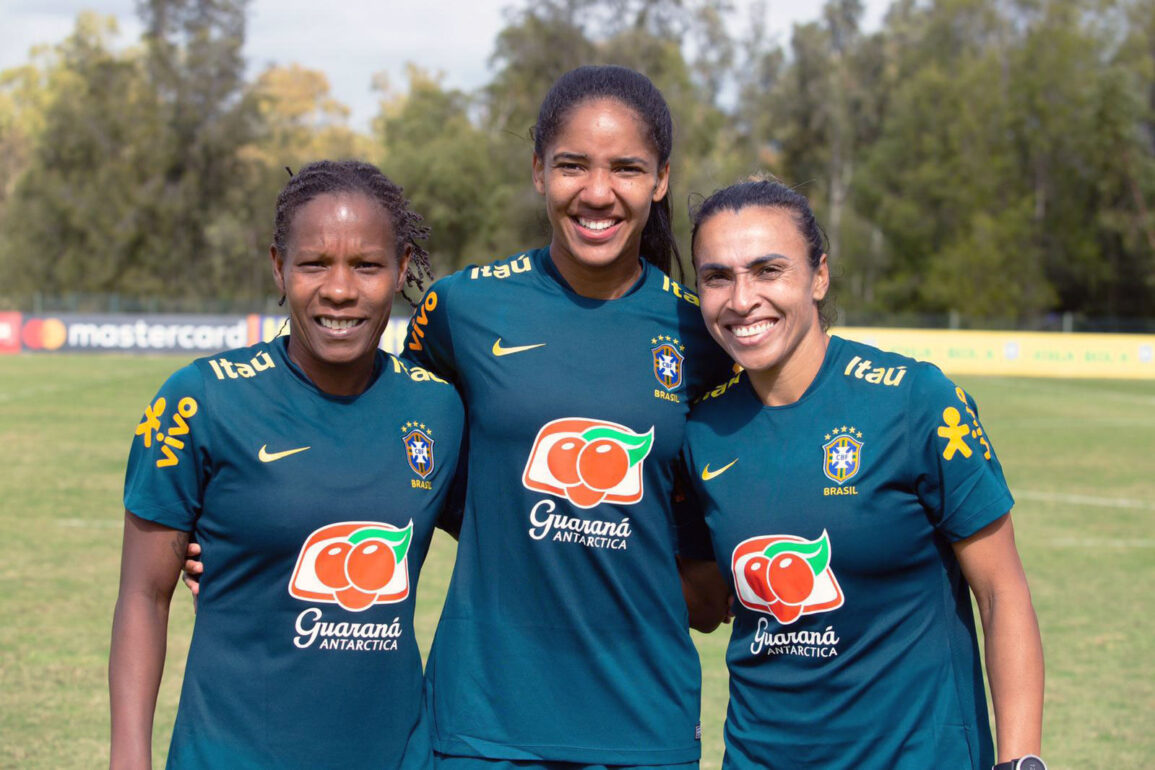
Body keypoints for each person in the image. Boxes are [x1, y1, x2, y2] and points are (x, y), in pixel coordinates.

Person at [399, 65, 734, 767]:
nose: (597, 193)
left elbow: (737, 500)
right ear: (537, 171)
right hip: (486, 719)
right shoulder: (459, 309)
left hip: (644, 723)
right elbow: (393, 454)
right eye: (572, 166)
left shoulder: (702, 334)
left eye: (626, 169)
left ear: (660, 180)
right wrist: (250, 538)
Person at [109, 160, 465, 769]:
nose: (340, 289)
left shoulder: (439, 407)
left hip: (395, 754)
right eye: (314, 263)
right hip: (230, 754)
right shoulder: (200, 401)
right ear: (279, 266)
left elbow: (508, 540)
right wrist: (128, 758)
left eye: (367, 265)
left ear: (402, 269)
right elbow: (144, 596)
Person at [681, 179, 1046, 769]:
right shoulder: (700, 429)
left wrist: (1022, 762)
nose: (741, 299)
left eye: (768, 270)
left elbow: (1002, 593)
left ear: (819, 275)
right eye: (717, 277)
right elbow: (703, 601)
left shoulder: (917, 401)